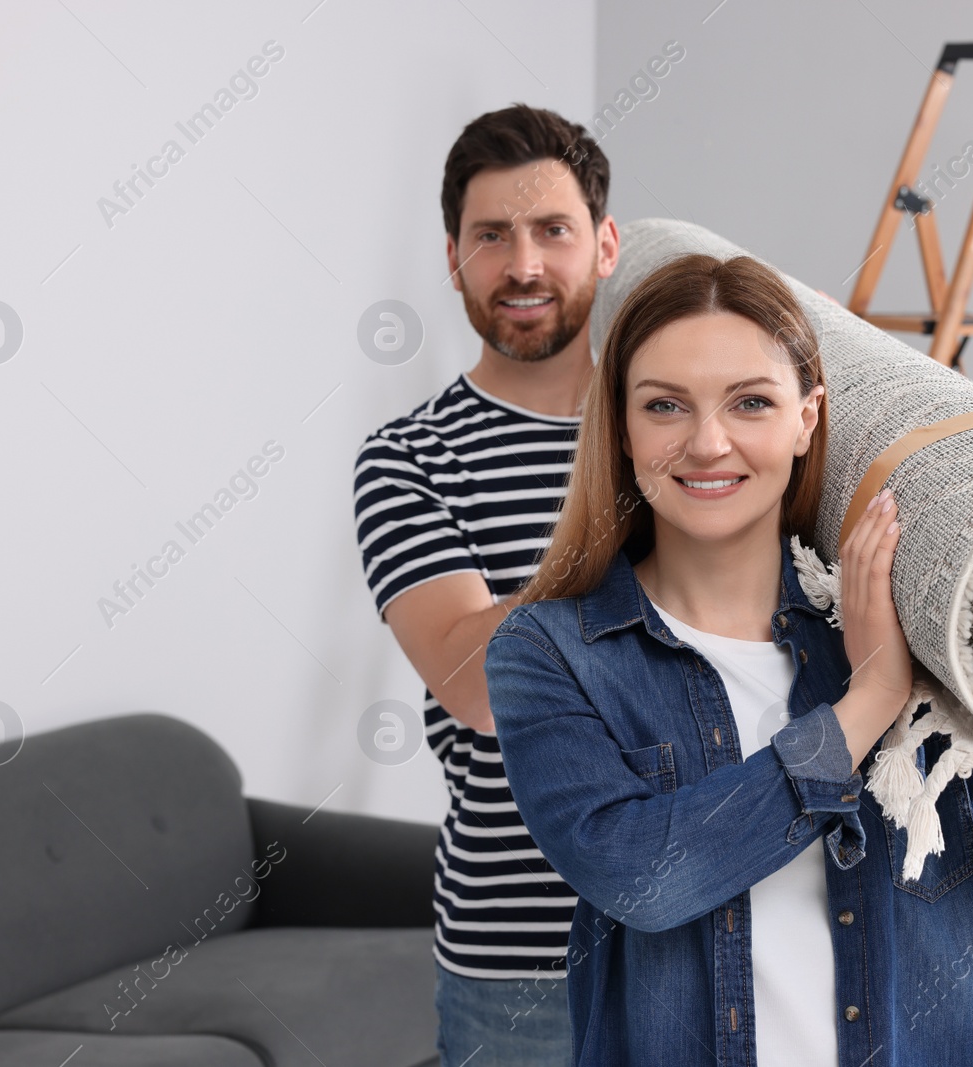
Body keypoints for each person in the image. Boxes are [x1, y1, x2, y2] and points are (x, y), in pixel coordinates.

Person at [483, 251, 973, 1065]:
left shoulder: (899, 621)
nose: (708, 443)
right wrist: (867, 701)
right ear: (621, 424)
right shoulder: (550, 652)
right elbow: (645, 879)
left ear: (807, 417)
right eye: (666, 405)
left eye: (751, 401)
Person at [351, 104, 618, 1066]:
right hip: (519, 956)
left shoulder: (676, 426)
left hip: (711, 909)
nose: (526, 265)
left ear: (606, 243)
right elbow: (473, 681)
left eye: (553, 230)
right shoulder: (408, 459)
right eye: (492, 236)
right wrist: (639, 521)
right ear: (454, 258)